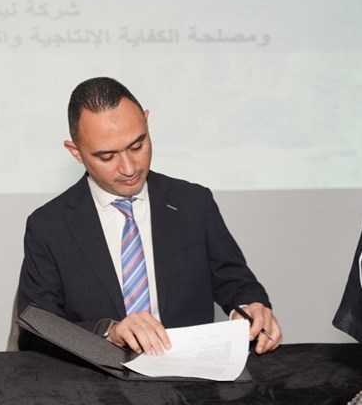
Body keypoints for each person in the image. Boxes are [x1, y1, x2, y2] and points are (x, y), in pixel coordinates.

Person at [16, 76, 281, 357]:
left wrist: (251, 309)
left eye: (137, 146)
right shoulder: (49, 226)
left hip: (190, 374)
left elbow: (236, 283)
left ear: (146, 122)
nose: (129, 168)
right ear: (76, 152)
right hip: (96, 378)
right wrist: (108, 333)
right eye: (107, 157)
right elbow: (37, 331)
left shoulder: (193, 203)